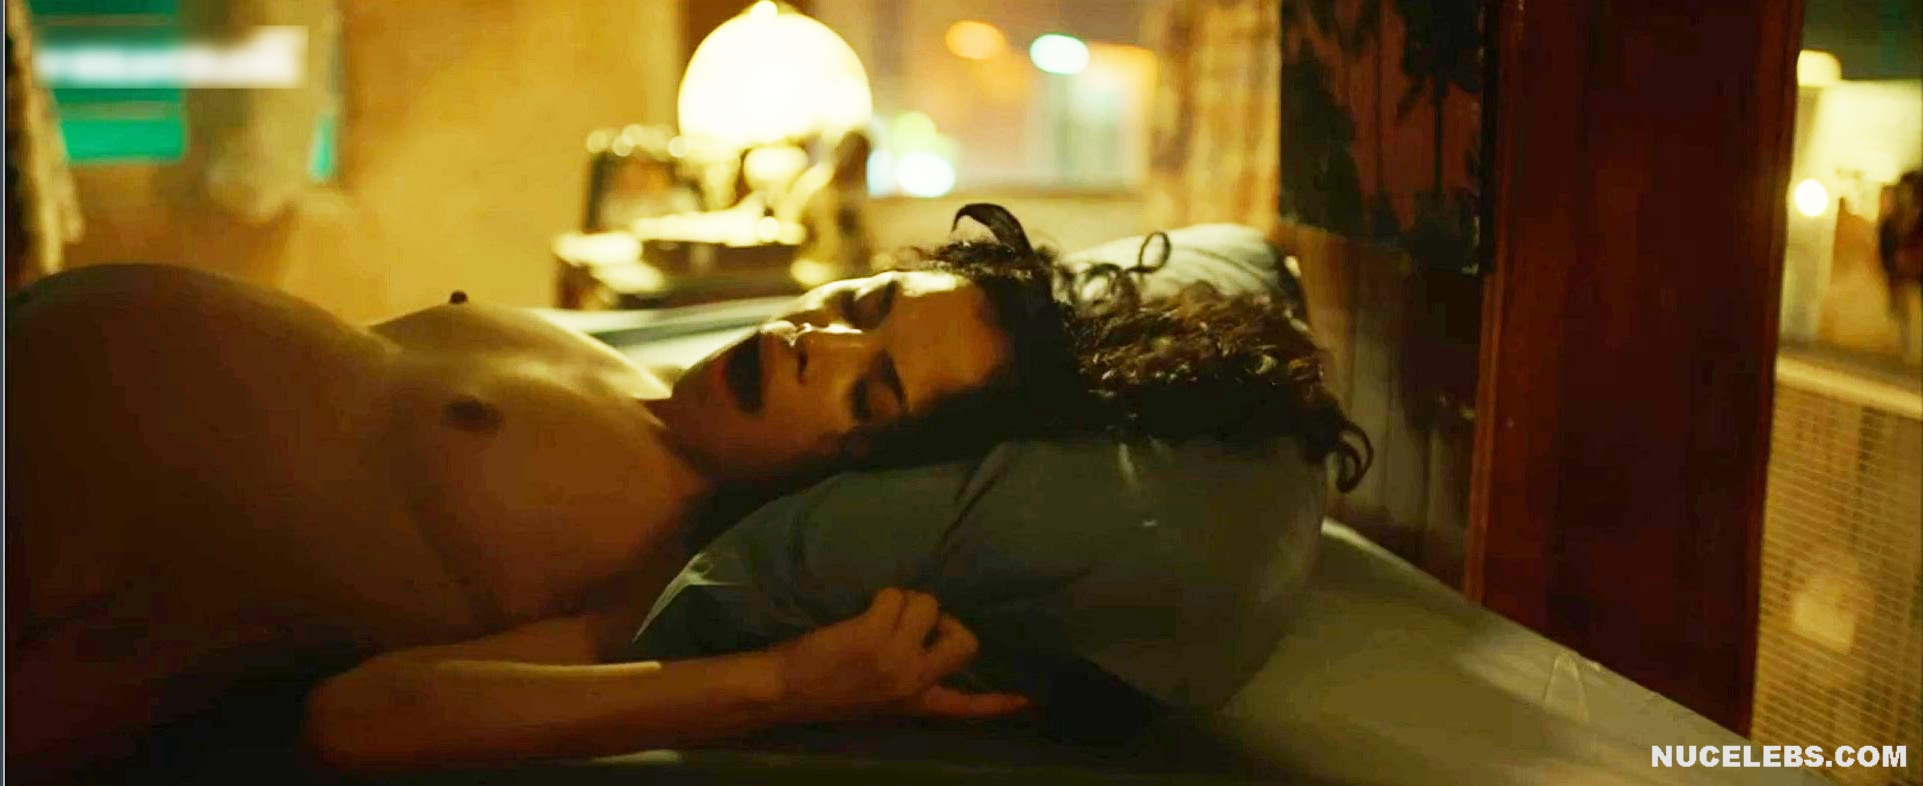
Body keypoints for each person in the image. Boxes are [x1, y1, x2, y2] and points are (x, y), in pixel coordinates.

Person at [5, 204, 1366, 776]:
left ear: (861, 473)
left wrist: (780, 685)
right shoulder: (619, 372)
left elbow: (357, 720)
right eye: (866, 306)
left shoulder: (656, 549)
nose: (817, 339)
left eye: (870, 393)